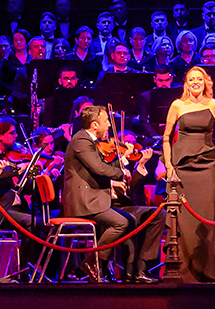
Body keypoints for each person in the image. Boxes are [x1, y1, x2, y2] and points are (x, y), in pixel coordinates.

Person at [62, 105, 157, 283]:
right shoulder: (81, 141)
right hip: (83, 201)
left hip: (93, 198)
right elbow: (98, 168)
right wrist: (122, 172)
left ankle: (126, 272)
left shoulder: (90, 141)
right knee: (121, 223)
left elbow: (104, 168)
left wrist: (123, 164)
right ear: (94, 124)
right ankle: (92, 262)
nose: (108, 125)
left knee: (131, 220)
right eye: (106, 121)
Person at [161, 67, 215, 282]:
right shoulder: (178, 105)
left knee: (207, 215)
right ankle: (182, 271)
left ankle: (209, 269)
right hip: (182, 166)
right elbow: (166, 137)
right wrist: (169, 166)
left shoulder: (214, 105)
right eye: (191, 79)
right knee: (183, 217)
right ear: (186, 83)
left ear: (206, 82)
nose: (195, 82)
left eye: (199, 79)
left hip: (206, 166)